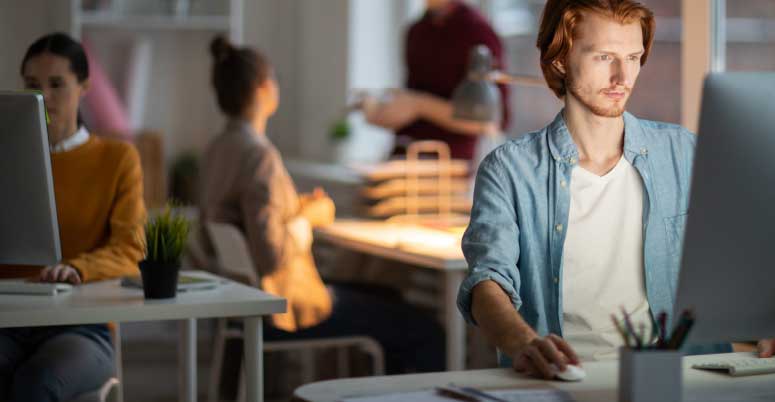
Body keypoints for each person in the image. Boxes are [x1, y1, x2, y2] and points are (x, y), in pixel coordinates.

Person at [457, 0, 775, 380]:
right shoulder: (510, 169)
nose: (623, 76)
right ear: (559, 59)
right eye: (605, 56)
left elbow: (746, 257)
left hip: (677, 378)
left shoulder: (685, 153)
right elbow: (487, 282)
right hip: (565, 379)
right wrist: (522, 341)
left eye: (634, 57)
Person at [199, 36, 445, 375]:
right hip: (285, 308)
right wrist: (308, 220)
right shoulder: (259, 156)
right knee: (424, 331)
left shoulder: (219, 149)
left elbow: (246, 219)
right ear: (264, 88)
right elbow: (271, 255)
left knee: (384, 294)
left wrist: (297, 209)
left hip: (243, 304)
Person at [0, 32, 146, 401]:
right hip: (8, 319)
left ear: (84, 88)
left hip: (82, 328)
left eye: (56, 84)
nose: (43, 96)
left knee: (38, 383)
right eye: (32, 85)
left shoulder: (118, 159)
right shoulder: (6, 158)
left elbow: (131, 248)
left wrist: (78, 268)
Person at [362, 0, 510, 160]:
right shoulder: (417, 31)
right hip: (404, 156)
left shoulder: (478, 32)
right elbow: (411, 100)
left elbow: (492, 121)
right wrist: (384, 110)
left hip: (447, 164)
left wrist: (419, 104)